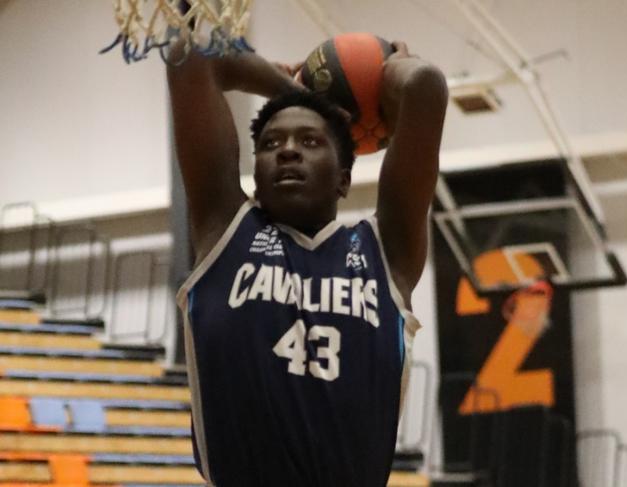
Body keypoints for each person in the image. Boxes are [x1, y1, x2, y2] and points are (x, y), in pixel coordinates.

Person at [169, 39, 447, 487]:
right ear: (254, 175)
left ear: (343, 178)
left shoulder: (384, 251)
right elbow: (190, 56)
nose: (288, 150)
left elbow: (425, 88)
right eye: (271, 142)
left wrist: (394, 64)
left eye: (311, 140)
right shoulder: (226, 234)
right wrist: (292, 91)